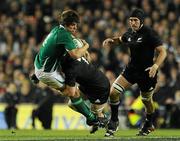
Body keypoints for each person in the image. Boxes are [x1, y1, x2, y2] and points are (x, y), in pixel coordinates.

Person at [103, 8, 167, 137]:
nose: (132, 23)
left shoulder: (149, 33)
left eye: (135, 20)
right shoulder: (130, 33)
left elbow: (163, 51)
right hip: (131, 70)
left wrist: (155, 66)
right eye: (131, 20)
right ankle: (114, 121)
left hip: (147, 73)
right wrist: (112, 40)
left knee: (147, 101)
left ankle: (149, 123)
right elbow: (121, 39)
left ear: (141, 21)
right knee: (113, 92)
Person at [33, 9, 101, 127]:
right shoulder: (63, 35)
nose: (75, 27)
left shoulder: (57, 30)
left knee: (74, 90)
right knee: (72, 92)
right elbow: (75, 55)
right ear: (66, 24)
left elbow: (54, 49)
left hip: (40, 63)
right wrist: (86, 46)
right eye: (72, 24)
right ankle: (91, 118)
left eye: (76, 24)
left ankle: (36, 75)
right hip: (47, 72)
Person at [61, 51, 110, 133]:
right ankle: (92, 118)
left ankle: (110, 126)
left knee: (99, 115)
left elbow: (71, 92)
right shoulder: (77, 56)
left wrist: (61, 89)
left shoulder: (71, 70)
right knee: (71, 103)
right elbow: (86, 53)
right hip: (87, 85)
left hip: (99, 87)